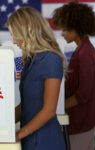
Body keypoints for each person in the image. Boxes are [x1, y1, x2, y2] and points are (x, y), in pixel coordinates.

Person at [6, 7, 66, 150]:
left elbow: (49, 110)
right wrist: (5, 123)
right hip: (30, 137)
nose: (14, 41)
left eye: (16, 36)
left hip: (45, 140)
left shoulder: (51, 59)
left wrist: (19, 134)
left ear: (29, 32)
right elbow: (25, 105)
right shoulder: (31, 60)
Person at [52, 2, 95, 150]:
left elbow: (83, 94)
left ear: (77, 28)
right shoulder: (83, 49)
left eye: (66, 30)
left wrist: (57, 107)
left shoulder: (85, 52)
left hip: (82, 120)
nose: (62, 33)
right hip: (82, 119)